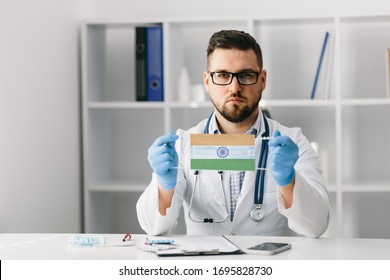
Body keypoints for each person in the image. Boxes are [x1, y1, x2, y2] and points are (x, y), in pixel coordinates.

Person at [137, 30, 330, 237]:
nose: (234, 88)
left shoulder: (293, 142)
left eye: (246, 75)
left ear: (262, 80)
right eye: (222, 75)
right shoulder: (183, 144)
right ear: (207, 81)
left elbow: (316, 226)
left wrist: (289, 180)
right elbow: (153, 227)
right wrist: (164, 184)